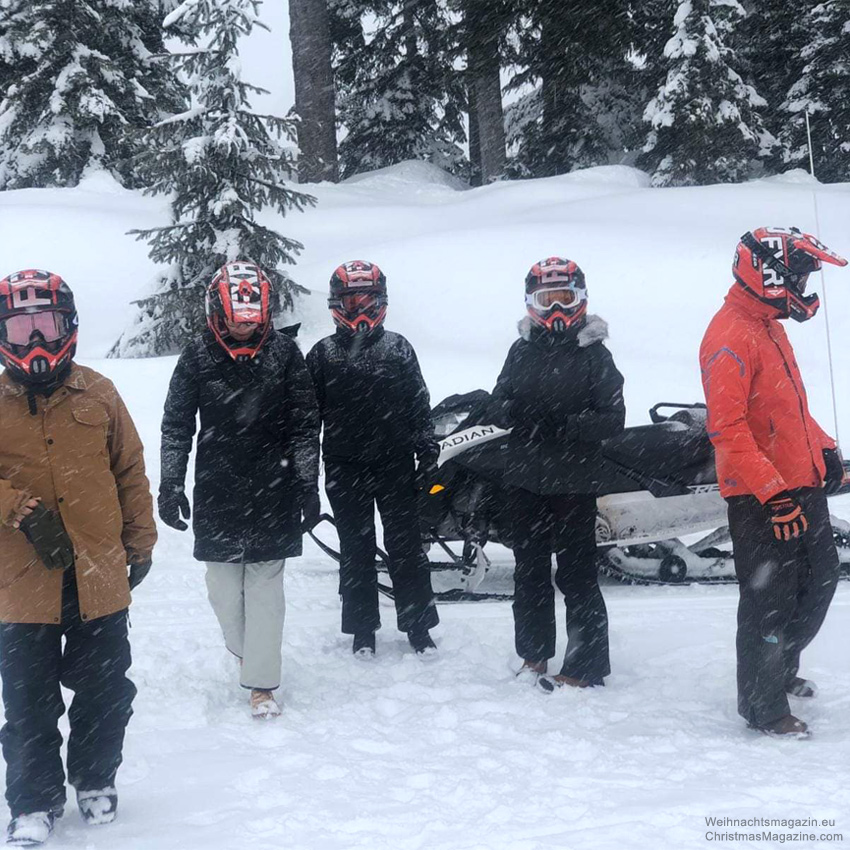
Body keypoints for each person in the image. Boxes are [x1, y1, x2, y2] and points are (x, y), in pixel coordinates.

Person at [0, 269, 156, 846]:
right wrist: (14, 505)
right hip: (20, 584)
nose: (36, 342)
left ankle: (95, 779)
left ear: (69, 327)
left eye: (48, 325)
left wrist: (141, 544)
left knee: (105, 692)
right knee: (28, 705)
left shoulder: (100, 392)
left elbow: (130, 471)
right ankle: (33, 802)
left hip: (99, 574)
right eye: (22, 328)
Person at [700, 227, 848, 738]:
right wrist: (773, 493)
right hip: (761, 495)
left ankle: (781, 667)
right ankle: (763, 705)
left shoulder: (768, 324)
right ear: (765, 273)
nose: (804, 286)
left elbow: (787, 409)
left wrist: (825, 448)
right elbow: (726, 428)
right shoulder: (729, 336)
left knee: (821, 580)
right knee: (769, 599)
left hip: (798, 480)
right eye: (799, 275)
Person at [159, 261, 319, 719]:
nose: (244, 331)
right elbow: (175, 425)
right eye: (236, 321)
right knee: (224, 593)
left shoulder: (286, 355)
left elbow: (305, 425)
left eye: (252, 322)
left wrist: (308, 484)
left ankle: (262, 687)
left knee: (266, 589)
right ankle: (249, 654)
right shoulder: (196, 356)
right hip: (217, 488)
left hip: (276, 486)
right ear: (217, 312)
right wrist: (171, 483)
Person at [489, 257, 625, 692]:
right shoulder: (520, 350)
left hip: (574, 481)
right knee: (528, 572)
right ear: (532, 303)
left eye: (564, 298)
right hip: (525, 478)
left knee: (577, 574)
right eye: (547, 300)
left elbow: (614, 418)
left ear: (580, 300)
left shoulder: (595, 355)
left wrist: (569, 425)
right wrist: (518, 414)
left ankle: (585, 666)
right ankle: (533, 654)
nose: (556, 310)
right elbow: (497, 402)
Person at [305, 261, 439, 658]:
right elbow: (308, 423)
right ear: (336, 304)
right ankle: (363, 629)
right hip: (344, 466)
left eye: (368, 300)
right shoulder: (322, 354)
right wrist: (305, 481)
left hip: (395, 463)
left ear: (382, 302)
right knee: (356, 548)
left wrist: (427, 454)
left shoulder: (398, 348)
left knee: (407, 546)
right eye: (351, 301)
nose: (359, 310)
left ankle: (418, 626)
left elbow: (419, 405)